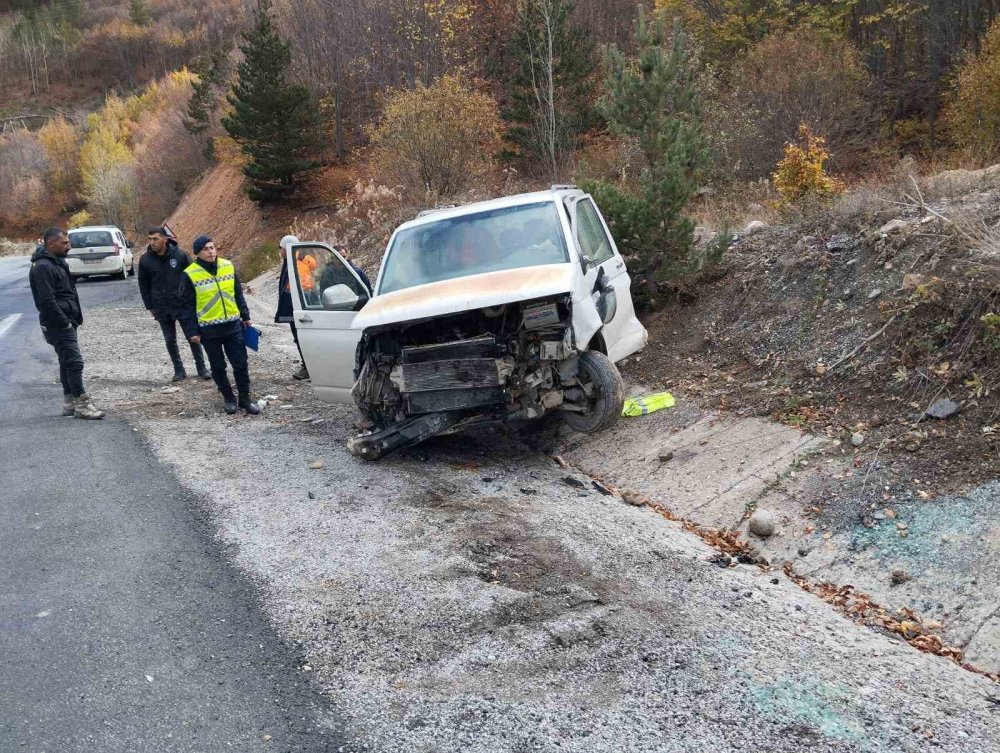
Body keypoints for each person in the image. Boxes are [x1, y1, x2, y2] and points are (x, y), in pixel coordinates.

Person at [28, 227, 104, 419]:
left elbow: (67, 292)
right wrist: (64, 323)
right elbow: (46, 300)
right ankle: (82, 404)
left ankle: (70, 403)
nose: (68, 246)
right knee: (74, 362)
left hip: (67, 319)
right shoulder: (43, 266)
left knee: (66, 362)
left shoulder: (57, 262)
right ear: (51, 243)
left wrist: (74, 318)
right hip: (57, 323)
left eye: (68, 242)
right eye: (64, 243)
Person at [178, 235, 260, 415]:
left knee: (240, 364)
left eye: (212, 247)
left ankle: (245, 399)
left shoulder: (227, 266)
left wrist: (245, 316)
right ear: (198, 253)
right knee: (217, 366)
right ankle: (229, 398)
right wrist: (193, 331)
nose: (211, 251)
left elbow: (238, 293)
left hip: (232, 325)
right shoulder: (190, 274)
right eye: (206, 249)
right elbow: (187, 306)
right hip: (209, 329)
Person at [137, 227, 212, 382]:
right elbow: (143, 285)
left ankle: (201, 367)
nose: (152, 242)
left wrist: (195, 302)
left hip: (182, 305)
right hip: (161, 306)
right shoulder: (145, 260)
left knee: (193, 336)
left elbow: (194, 277)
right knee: (170, 339)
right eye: (150, 239)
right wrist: (150, 306)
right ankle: (179, 370)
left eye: (155, 239)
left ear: (165, 239)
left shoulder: (180, 255)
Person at [275, 235, 309, 381]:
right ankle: (308, 365)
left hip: (298, 310)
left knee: (302, 339)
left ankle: (308, 367)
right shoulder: (290, 262)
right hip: (295, 309)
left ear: (286, 248)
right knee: (299, 339)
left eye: (280, 248)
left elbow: (297, 290)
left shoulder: (296, 265)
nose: (279, 251)